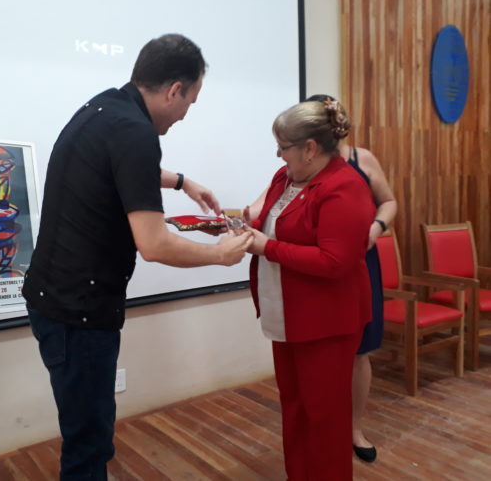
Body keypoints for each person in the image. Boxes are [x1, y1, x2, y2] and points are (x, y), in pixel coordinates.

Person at [22, 33, 253, 480]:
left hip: (55, 298)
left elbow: (116, 163)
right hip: (79, 311)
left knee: (89, 428)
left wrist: (181, 181)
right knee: (89, 443)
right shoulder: (135, 132)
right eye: (190, 102)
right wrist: (220, 254)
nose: (186, 114)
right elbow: (155, 244)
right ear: (174, 90)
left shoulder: (105, 108)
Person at [244, 99, 375, 480]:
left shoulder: (345, 187)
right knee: (295, 408)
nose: (278, 154)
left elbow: (334, 262)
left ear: (310, 148)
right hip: (286, 315)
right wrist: (238, 229)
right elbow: (271, 224)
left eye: (283, 147)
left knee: (325, 419)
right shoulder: (284, 177)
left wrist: (266, 247)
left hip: (326, 323)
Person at [306, 94, 396, 463]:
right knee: (319, 353)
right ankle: (322, 426)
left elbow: (389, 201)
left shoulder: (362, 159)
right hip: (316, 267)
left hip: (360, 263)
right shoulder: (302, 162)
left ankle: (354, 428)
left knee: (361, 351)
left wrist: (377, 227)